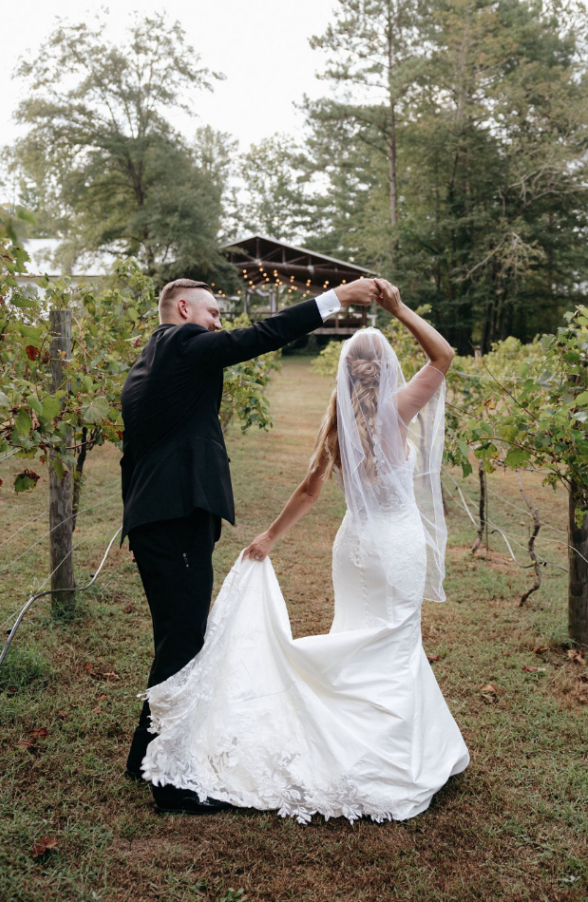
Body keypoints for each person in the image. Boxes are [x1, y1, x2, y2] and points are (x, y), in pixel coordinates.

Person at [140, 279, 470, 822]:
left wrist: (270, 537)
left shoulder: (339, 420)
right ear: (386, 370)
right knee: (393, 638)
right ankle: (389, 753)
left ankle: (343, 727)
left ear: (346, 372)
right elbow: (444, 355)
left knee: (356, 635)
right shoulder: (399, 410)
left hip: (354, 547)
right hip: (395, 544)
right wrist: (398, 307)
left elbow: (311, 489)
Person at [121, 275, 380, 814]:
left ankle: (144, 754)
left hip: (159, 519)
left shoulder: (150, 359)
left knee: (177, 634)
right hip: (173, 521)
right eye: (214, 313)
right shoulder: (182, 344)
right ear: (185, 309)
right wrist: (338, 298)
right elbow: (258, 336)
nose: (219, 323)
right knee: (184, 640)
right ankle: (171, 788)